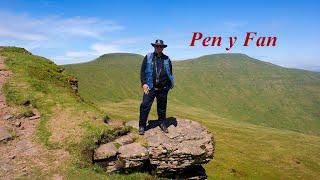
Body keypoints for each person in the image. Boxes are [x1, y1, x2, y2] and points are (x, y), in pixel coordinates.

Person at [139, 39, 174, 135]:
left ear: (163, 48)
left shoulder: (167, 59)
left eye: (160, 46)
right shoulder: (148, 57)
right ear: (154, 47)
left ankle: (162, 123)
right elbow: (142, 72)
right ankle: (142, 126)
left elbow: (170, 72)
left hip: (163, 88)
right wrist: (144, 83)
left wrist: (168, 85)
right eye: (157, 46)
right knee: (145, 105)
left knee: (162, 107)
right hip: (150, 87)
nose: (159, 48)